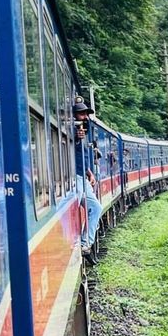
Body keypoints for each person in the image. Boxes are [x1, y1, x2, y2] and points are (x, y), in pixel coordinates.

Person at [73, 95, 103, 255]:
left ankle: (86, 242)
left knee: (96, 208)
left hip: (83, 176)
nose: (85, 117)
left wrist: (90, 173)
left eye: (86, 114)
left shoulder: (83, 132)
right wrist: (77, 138)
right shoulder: (75, 132)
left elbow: (81, 158)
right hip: (74, 178)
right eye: (81, 114)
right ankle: (84, 242)